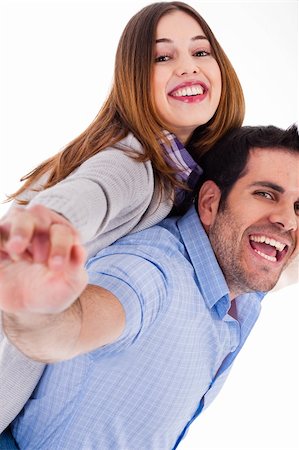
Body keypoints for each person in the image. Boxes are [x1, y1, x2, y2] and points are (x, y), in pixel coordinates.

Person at [0, 0, 245, 432]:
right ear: (134, 78)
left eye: (200, 51)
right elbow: (87, 197)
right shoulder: (132, 164)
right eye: (163, 57)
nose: (187, 67)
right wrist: (45, 227)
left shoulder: (179, 171)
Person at [0, 124, 298, 449]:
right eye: (266, 194)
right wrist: (31, 302)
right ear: (210, 203)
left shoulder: (244, 282)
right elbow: (68, 328)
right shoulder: (154, 270)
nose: (288, 220)